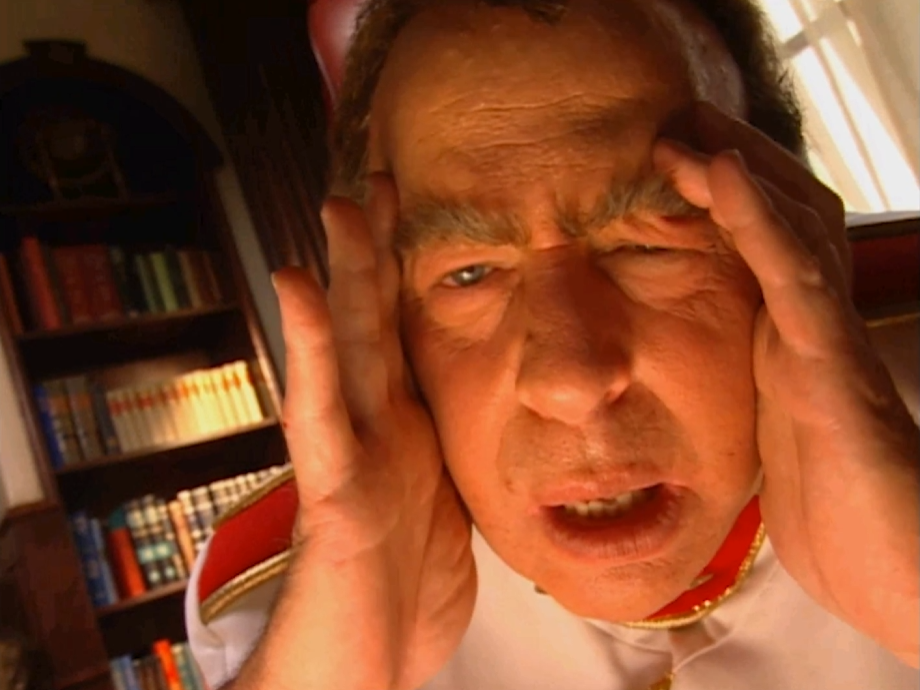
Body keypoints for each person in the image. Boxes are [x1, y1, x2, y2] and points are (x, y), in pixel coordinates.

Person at [185, 0, 920, 688]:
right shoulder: (278, 599)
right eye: (469, 273)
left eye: (646, 246)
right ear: (387, 321)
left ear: (794, 229)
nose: (571, 383)